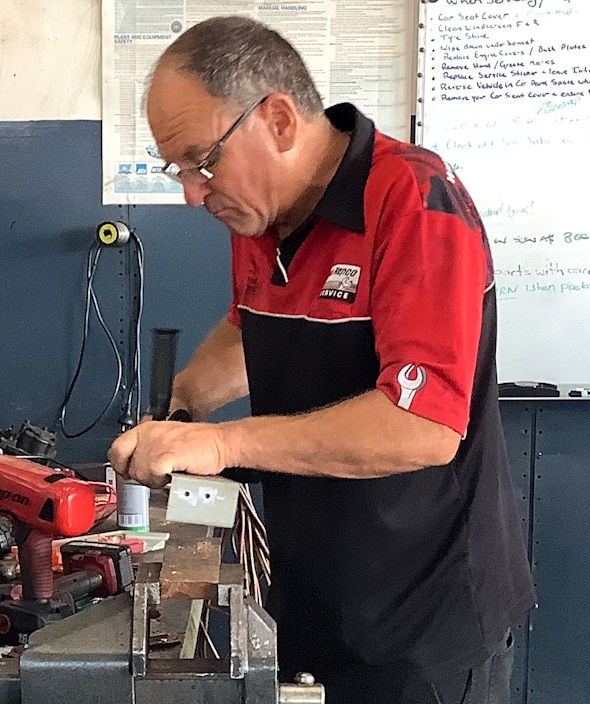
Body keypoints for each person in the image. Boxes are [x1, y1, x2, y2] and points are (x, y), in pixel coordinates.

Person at [107, 16, 534, 704]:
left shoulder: (415, 202)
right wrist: (184, 402)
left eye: (201, 161)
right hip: (312, 598)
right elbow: (251, 325)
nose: (191, 192)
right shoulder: (260, 212)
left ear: (278, 121)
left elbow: (422, 425)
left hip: (422, 626)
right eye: (177, 169)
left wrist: (220, 445)